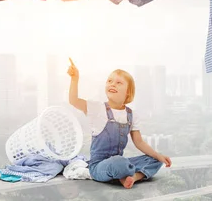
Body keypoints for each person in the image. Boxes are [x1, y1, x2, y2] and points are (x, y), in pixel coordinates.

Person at [67, 59, 172, 189]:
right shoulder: (97, 108)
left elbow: (139, 142)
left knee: (155, 159)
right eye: (110, 81)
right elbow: (73, 100)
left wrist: (158, 155)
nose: (113, 84)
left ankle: (132, 177)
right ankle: (125, 173)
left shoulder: (131, 115)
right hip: (99, 167)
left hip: (119, 162)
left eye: (119, 83)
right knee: (119, 162)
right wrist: (75, 78)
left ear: (128, 91)